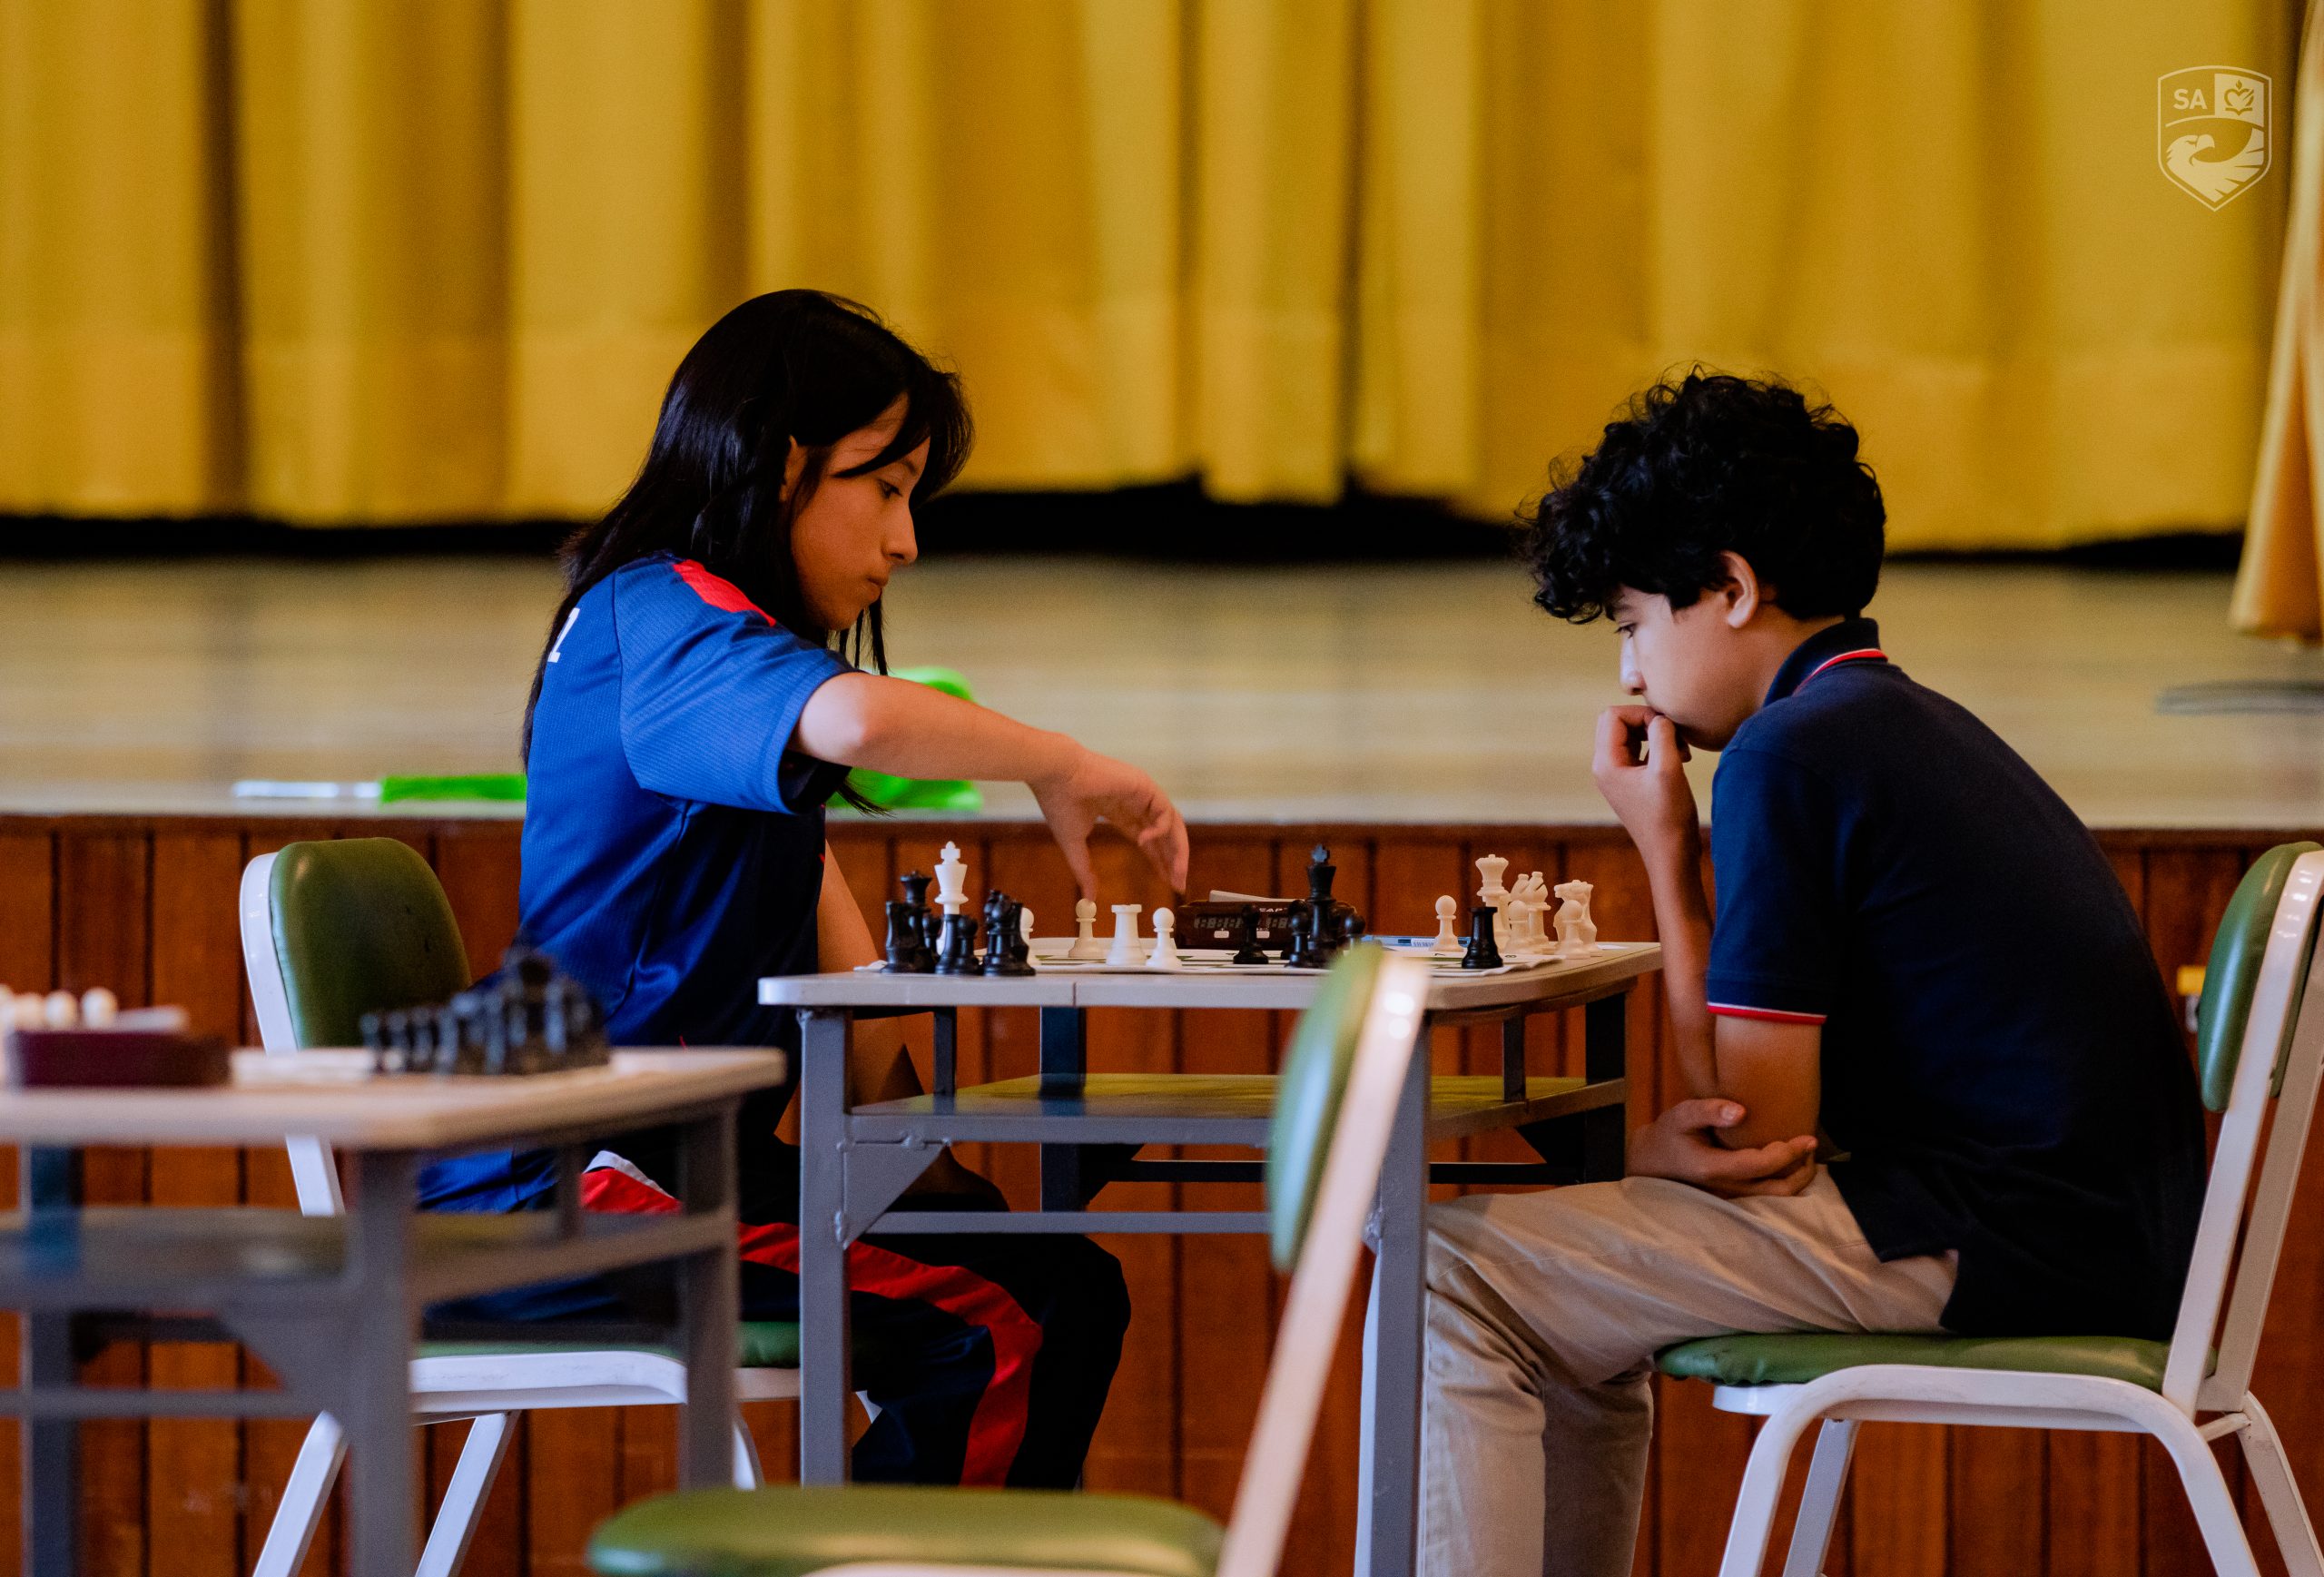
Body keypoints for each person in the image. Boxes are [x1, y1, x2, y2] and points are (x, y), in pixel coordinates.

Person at [1418, 371, 2206, 1576]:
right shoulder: (1887, 722)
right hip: (2087, 1233)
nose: (1630, 676)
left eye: (1633, 624)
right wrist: (1673, 848)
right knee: (1555, 1302)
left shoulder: (1792, 755)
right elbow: (1756, 1125)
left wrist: (1666, 855)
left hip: (1999, 1238)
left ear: (1733, 587)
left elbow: (1754, 1132)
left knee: (1448, 1271)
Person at [424, 290, 1189, 1489]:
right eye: (883, 489)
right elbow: (861, 719)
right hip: (569, 1178)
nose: (906, 541)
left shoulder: (730, 674)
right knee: (1011, 1322)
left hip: (679, 1163)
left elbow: (849, 991)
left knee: (1060, 1284)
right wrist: (1060, 761)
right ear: (784, 465)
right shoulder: (661, 612)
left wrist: (930, 1175)